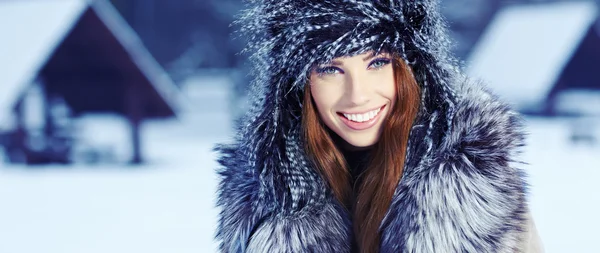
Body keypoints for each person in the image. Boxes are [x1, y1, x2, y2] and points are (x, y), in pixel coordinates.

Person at [214, 0, 544, 252]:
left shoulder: (478, 186)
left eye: (377, 63)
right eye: (331, 69)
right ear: (299, 85)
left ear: (413, 69)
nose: (358, 96)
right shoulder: (260, 201)